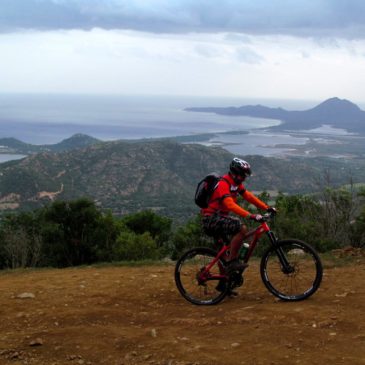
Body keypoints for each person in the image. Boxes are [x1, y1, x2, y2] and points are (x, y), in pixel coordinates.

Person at [201, 157, 276, 273]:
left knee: (223, 254)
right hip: (210, 219)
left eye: (245, 175)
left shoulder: (236, 184)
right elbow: (230, 205)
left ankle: (224, 285)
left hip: (220, 218)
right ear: (235, 173)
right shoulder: (223, 184)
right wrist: (251, 215)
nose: (244, 178)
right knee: (241, 228)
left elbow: (249, 196)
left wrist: (267, 207)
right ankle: (232, 262)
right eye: (243, 175)